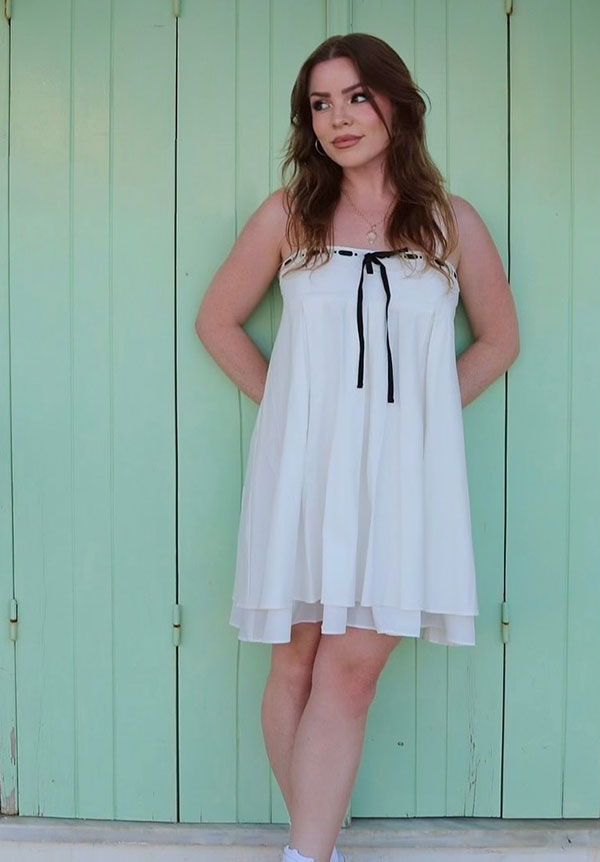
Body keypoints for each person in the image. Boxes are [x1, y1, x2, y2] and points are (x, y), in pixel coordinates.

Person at [195, 32, 519, 862]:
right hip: (304, 474)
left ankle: (306, 854)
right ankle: (317, 855)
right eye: (320, 103)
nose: (338, 117)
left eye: (355, 96)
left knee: (352, 672)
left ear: (396, 102)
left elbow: (498, 341)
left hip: (401, 480)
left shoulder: (451, 222)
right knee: (296, 664)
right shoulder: (290, 213)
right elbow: (217, 321)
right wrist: (298, 414)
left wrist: (418, 419)